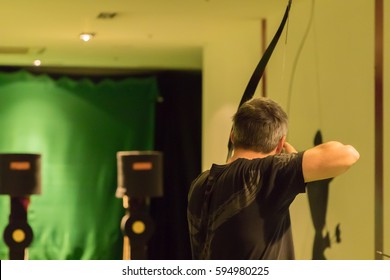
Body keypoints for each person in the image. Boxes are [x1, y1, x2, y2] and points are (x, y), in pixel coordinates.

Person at [187, 97, 360, 260]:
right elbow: (348, 155)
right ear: (279, 144)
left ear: (233, 135)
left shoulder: (199, 183)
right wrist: (292, 157)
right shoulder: (264, 174)